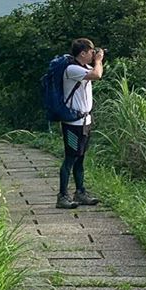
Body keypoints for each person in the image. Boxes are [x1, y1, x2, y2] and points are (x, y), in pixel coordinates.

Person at [57, 38, 103, 209]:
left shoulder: (83, 68)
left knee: (80, 158)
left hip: (84, 121)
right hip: (72, 123)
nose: (93, 54)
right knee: (70, 158)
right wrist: (99, 60)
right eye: (91, 51)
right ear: (82, 53)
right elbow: (97, 74)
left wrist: (98, 59)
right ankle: (62, 196)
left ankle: (80, 192)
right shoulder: (72, 69)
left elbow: (97, 71)